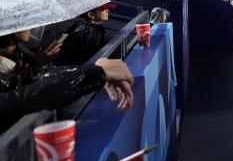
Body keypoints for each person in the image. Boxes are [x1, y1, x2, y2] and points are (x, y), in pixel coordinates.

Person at [0, 29, 135, 130]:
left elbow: (16, 83)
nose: (29, 27)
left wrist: (91, 71)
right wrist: (91, 73)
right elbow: (11, 100)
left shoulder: (21, 51)